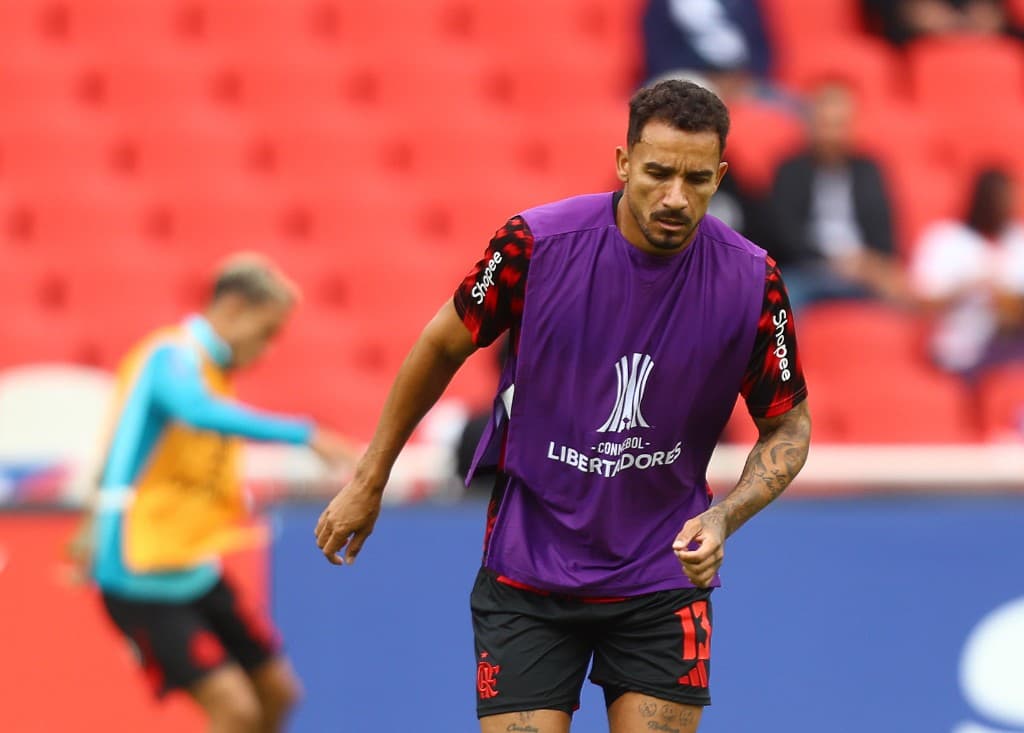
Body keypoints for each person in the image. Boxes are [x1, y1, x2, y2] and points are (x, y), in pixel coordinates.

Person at [315, 80, 811, 733]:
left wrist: (724, 516)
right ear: (623, 161)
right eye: (657, 172)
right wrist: (369, 478)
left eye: (696, 179)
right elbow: (440, 346)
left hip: (660, 576)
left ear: (720, 175)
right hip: (529, 573)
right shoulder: (533, 246)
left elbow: (789, 423)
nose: (674, 197)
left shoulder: (752, 280)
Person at [70, 254, 354, 733]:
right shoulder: (172, 356)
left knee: (277, 695)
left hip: (193, 564)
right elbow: (194, 411)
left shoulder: (208, 369)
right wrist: (305, 434)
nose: (265, 351)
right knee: (234, 710)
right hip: (139, 570)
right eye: (266, 332)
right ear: (236, 307)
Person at [767, 79, 905, 311]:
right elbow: (786, 236)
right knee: (781, 300)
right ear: (809, 124)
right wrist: (836, 262)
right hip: (809, 269)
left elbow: (884, 232)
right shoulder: (790, 170)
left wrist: (868, 264)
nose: (832, 135)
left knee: (904, 295)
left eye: (839, 125)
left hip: (863, 272)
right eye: (825, 124)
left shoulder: (869, 170)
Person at [911, 168, 1024, 378]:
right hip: (960, 352)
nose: (1006, 206)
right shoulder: (945, 239)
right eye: (998, 199)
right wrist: (972, 287)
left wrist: (1009, 303)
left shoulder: (1019, 239)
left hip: (1012, 346)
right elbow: (920, 302)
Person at [862, 0, 1024, 45]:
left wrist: (995, 13)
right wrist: (907, 10)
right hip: (910, 30)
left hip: (977, 26)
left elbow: (994, 13)